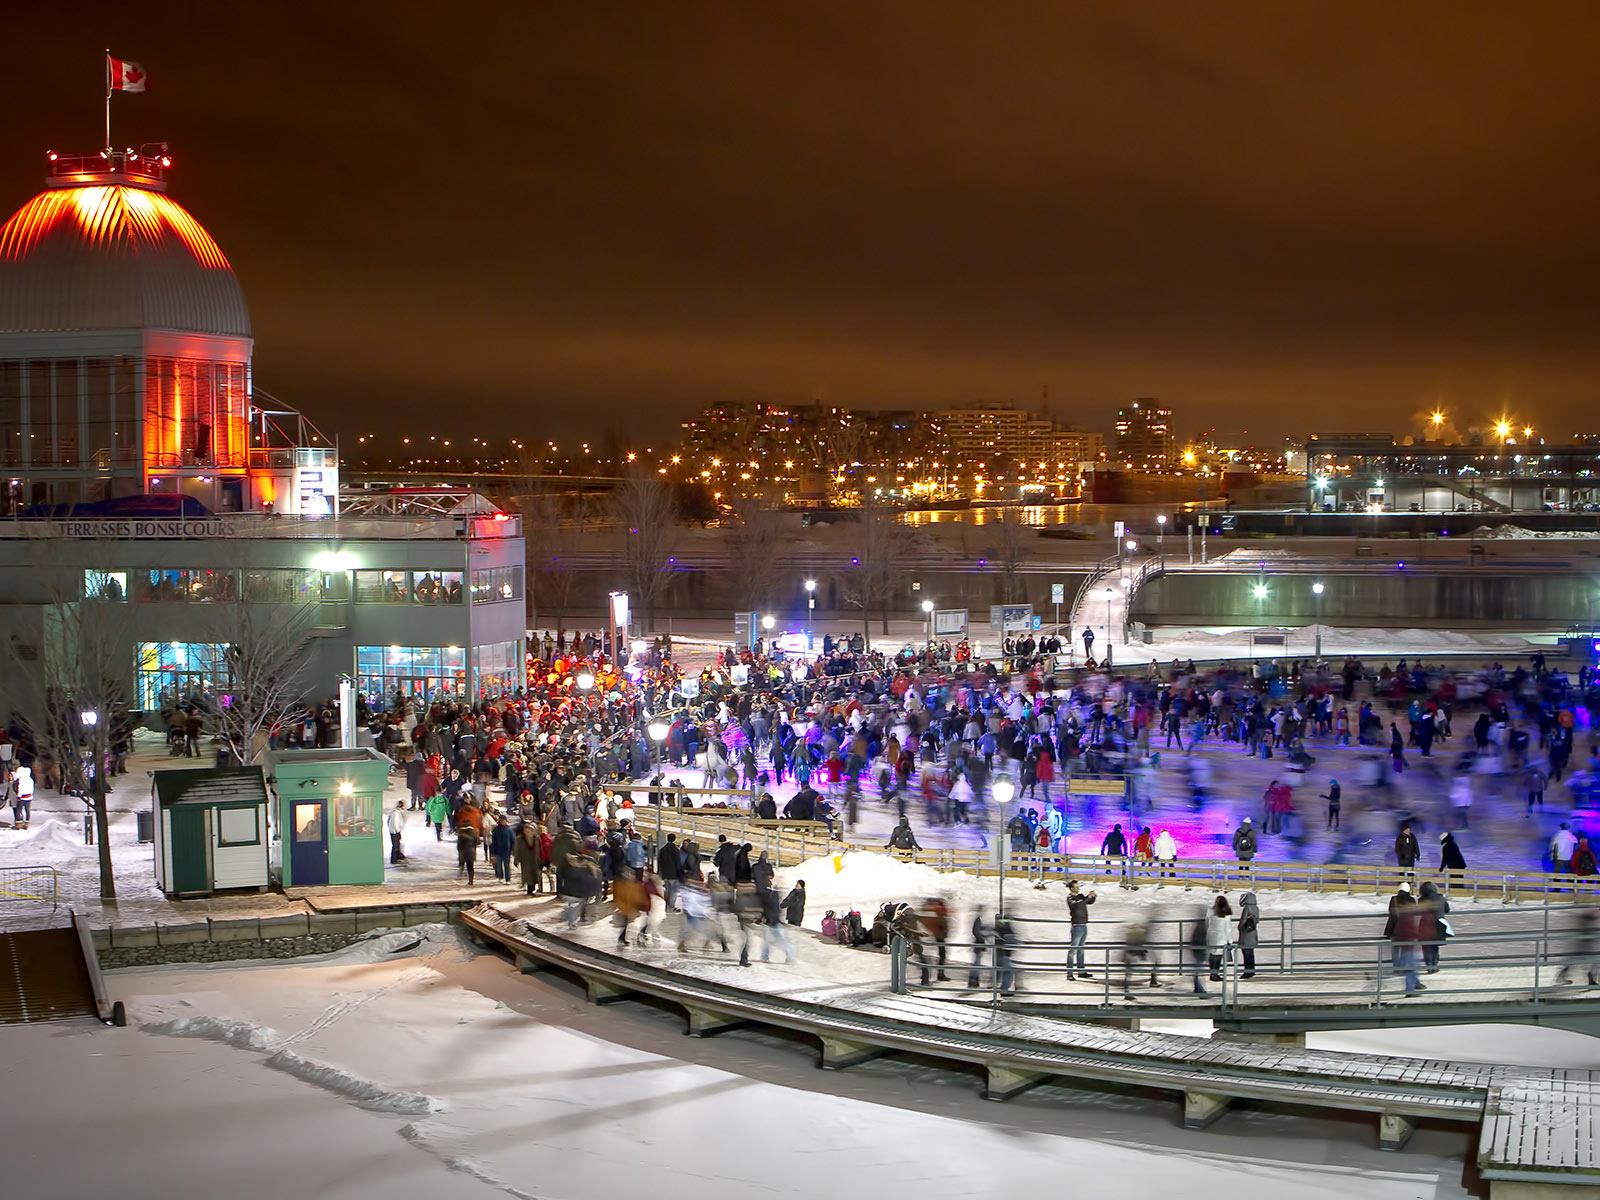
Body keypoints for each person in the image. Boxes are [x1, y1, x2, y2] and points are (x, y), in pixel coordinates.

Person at [1416, 880, 1450, 973]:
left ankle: (1429, 965)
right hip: (1438, 924)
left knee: (1426, 946)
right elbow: (1447, 909)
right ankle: (1434, 964)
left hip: (1425, 925)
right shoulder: (1441, 898)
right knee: (1435, 946)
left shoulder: (1422, 900)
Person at [1066, 879, 1096, 979]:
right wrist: (1087, 898)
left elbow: (1088, 902)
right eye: (1076, 887)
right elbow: (1078, 904)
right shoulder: (1070, 898)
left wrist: (1092, 897)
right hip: (1076, 926)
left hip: (1083, 925)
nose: (1078, 889)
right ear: (1071, 888)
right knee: (1073, 950)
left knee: (1081, 949)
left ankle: (1081, 970)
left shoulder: (1080, 896)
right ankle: (1069, 973)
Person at [1206, 895, 1233, 982]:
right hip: (1221, 937)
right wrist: (1230, 941)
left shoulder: (1210, 911)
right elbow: (1228, 929)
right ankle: (1215, 973)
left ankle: (1212, 973)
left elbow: (1206, 923)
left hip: (1211, 936)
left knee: (1212, 954)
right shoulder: (1226, 913)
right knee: (1218, 956)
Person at [514, 821, 543, 895]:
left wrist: (542, 858)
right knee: (528, 875)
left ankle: (535, 888)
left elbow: (541, 849)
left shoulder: (537, 838)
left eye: (530, 829)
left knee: (535, 874)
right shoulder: (520, 839)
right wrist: (516, 860)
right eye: (526, 829)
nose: (528, 831)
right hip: (525, 860)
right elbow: (517, 850)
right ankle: (529, 890)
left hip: (535, 859)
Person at [1237, 892, 1260, 979]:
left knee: (1246, 953)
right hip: (1253, 933)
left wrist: (1239, 927)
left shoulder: (1246, 908)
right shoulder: (1256, 908)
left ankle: (1247, 971)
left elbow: (1243, 921)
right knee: (1251, 953)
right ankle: (1252, 970)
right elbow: (1257, 920)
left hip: (1245, 934)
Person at [490, 813, 515, 883]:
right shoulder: (496, 830)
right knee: (499, 865)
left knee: (507, 866)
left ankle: (508, 879)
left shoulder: (509, 830)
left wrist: (513, 849)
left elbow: (513, 840)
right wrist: (493, 851)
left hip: (507, 850)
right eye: (502, 821)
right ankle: (500, 877)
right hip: (498, 850)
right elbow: (493, 841)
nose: (503, 822)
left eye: (504, 821)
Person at [387, 801, 407, 865]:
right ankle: (394, 859)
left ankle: (398, 855)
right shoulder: (396, 813)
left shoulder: (396, 812)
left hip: (395, 830)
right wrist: (397, 830)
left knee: (397, 844)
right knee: (395, 845)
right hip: (395, 831)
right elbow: (395, 823)